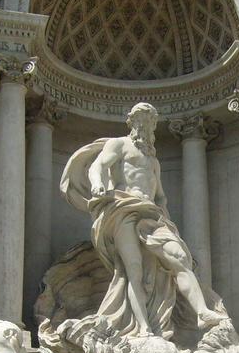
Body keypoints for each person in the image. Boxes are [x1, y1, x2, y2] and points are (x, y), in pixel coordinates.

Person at [60, 102, 225, 339]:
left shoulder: (153, 161)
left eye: (149, 121)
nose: (145, 125)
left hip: (152, 214)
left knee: (179, 258)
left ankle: (202, 312)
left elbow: (160, 197)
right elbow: (97, 166)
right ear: (132, 122)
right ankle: (143, 328)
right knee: (133, 270)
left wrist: (167, 223)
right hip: (122, 209)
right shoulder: (119, 144)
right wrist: (97, 183)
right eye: (141, 120)